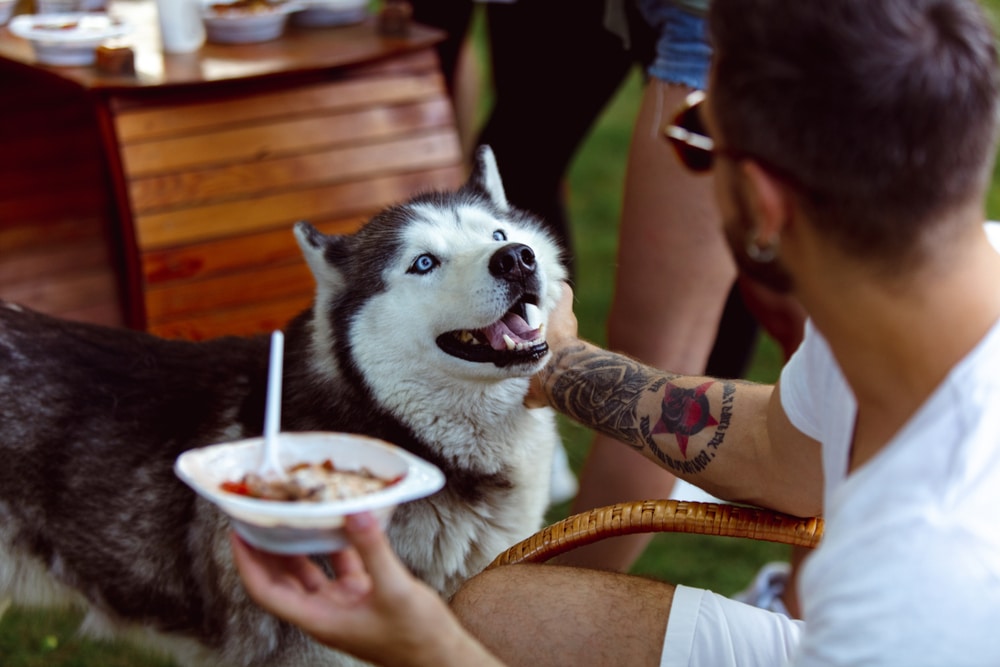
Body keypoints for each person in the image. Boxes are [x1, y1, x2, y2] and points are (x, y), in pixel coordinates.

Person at [233, 0, 1000, 664]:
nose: (691, 160)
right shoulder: (894, 309)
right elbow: (782, 453)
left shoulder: (916, 578)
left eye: (697, 138)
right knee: (513, 614)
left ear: (765, 204)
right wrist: (563, 363)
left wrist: (422, 648)